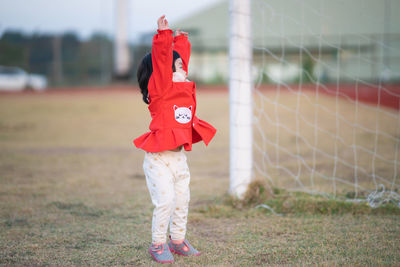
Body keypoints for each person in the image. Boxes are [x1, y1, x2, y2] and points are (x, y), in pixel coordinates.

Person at [134, 15, 217, 264]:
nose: (183, 68)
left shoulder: (181, 87)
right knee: (166, 202)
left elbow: (177, 64)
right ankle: (158, 244)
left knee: (183, 199)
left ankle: (178, 240)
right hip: (158, 159)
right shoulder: (160, 91)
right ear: (164, 71)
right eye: (178, 65)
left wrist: (181, 41)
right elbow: (163, 63)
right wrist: (164, 37)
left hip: (178, 157)